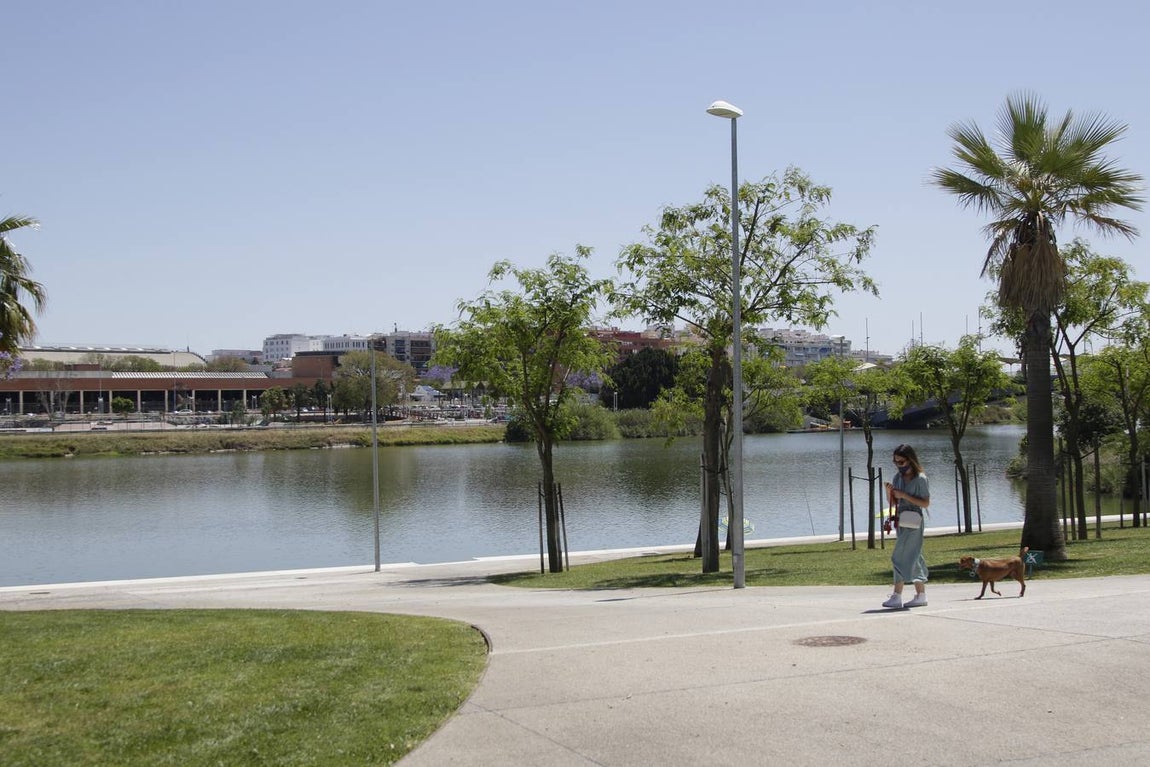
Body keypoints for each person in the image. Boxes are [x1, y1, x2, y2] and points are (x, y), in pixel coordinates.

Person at [882, 444, 930, 608]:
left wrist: (904, 495)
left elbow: (925, 503)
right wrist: (889, 493)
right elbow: (893, 502)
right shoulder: (897, 478)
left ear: (910, 460)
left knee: (899, 556)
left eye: (901, 462)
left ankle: (897, 594)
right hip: (902, 519)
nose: (899, 465)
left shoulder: (920, 479)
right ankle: (920, 594)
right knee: (914, 556)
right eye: (896, 462)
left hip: (914, 519)